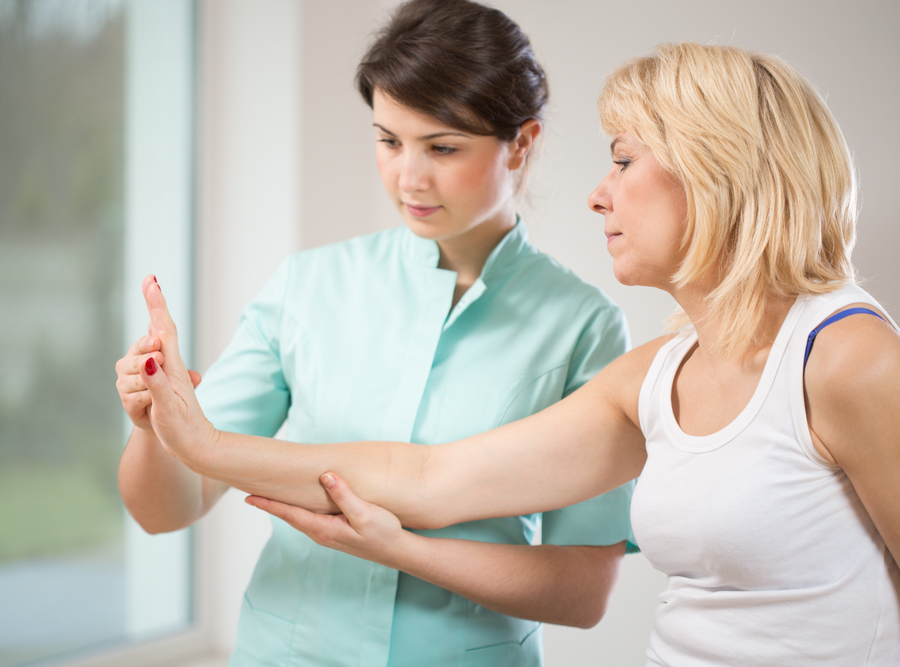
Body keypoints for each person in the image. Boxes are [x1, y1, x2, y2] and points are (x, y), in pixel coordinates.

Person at [133, 41, 900, 665]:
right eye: (390, 140)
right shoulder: (661, 371)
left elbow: (577, 583)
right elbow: (426, 477)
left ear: (720, 170)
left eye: (625, 161)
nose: (599, 194)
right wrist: (194, 439)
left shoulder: (847, 356)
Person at [115, 1, 637, 665]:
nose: (408, 177)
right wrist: (150, 422)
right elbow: (168, 507)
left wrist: (403, 548)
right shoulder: (307, 286)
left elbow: (585, 592)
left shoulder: (582, 326)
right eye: (389, 140)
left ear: (523, 143)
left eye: (442, 147)